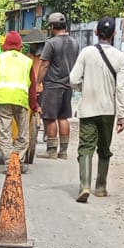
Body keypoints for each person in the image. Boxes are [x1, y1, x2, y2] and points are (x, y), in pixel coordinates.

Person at [67, 17, 124, 204]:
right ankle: (100, 187)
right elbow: (122, 88)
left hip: (88, 109)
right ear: (114, 34)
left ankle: (84, 186)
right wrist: (122, 114)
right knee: (104, 148)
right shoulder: (119, 57)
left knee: (86, 147)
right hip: (108, 111)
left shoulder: (87, 53)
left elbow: (73, 79)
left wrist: (83, 89)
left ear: (95, 32)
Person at [0, 30, 37, 165]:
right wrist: (34, 106)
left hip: (2, 100)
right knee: (23, 136)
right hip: (21, 100)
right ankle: (17, 159)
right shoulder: (27, 61)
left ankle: (10, 162)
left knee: (4, 135)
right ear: (20, 46)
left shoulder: (0, 58)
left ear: (5, 45)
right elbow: (33, 86)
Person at [35, 13, 80, 159]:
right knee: (63, 117)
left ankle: (52, 150)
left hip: (53, 85)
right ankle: (64, 151)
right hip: (68, 85)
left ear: (52, 26)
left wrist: (37, 82)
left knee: (49, 118)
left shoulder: (51, 43)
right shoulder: (74, 42)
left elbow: (44, 65)